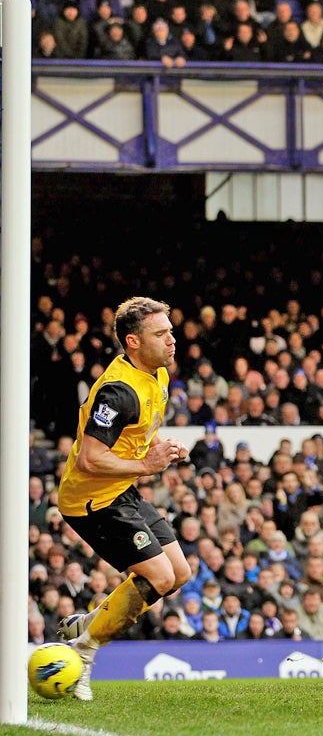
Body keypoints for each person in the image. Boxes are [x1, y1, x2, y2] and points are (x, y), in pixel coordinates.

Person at [55, 297, 193, 701]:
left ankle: (89, 625)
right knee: (160, 577)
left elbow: (134, 438)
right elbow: (91, 458)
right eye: (161, 334)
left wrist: (159, 448)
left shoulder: (158, 375)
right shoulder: (117, 392)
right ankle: (84, 653)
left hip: (120, 490)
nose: (172, 340)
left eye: (170, 331)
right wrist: (148, 465)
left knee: (179, 574)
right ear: (133, 341)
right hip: (90, 499)